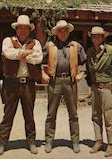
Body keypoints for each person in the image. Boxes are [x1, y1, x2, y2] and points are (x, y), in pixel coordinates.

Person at [0, 15, 43, 156]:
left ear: (29, 30)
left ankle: (31, 142)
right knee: (8, 114)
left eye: (25, 28)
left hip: (28, 83)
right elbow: (7, 53)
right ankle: (2, 143)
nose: (23, 30)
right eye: (20, 28)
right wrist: (26, 53)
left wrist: (21, 55)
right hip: (11, 82)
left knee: (29, 114)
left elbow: (39, 58)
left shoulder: (35, 42)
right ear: (16, 29)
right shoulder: (8, 41)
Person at [41, 20, 86, 153]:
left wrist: (81, 73)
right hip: (54, 81)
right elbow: (39, 61)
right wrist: (43, 73)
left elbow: (84, 62)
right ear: (56, 32)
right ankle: (49, 141)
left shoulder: (76, 46)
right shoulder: (50, 45)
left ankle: (75, 141)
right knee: (51, 113)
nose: (63, 32)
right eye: (60, 30)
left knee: (73, 113)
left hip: (70, 81)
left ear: (68, 32)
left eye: (65, 30)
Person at [86, 26, 112, 157]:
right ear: (91, 37)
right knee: (95, 115)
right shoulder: (90, 51)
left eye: (98, 36)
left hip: (107, 87)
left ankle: (111, 144)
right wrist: (89, 79)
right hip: (94, 87)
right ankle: (98, 140)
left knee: (108, 115)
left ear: (103, 37)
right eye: (93, 36)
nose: (96, 38)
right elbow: (89, 67)